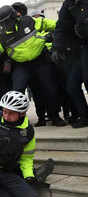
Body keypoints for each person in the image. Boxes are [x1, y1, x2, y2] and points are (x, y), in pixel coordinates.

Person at [0, 5, 66, 126]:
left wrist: (54, 37)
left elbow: (56, 25)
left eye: (6, 22)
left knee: (49, 88)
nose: (4, 25)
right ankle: (19, 120)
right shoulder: (3, 37)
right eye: (2, 23)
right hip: (22, 66)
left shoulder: (30, 21)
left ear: (14, 17)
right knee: (17, 92)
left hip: (41, 61)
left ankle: (55, 116)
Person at [52, 0, 88, 128]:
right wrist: (56, 47)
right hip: (79, 48)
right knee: (72, 85)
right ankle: (85, 115)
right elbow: (61, 26)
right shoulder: (69, 4)